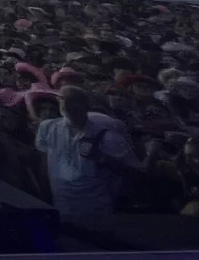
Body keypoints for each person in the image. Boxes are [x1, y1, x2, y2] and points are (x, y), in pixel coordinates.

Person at [36, 85, 139, 219]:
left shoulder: (106, 136)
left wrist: (102, 158)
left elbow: (133, 174)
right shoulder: (47, 128)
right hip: (61, 208)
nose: (66, 104)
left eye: (73, 100)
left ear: (86, 105)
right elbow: (44, 164)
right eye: (62, 99)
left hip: (96, 210)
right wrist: (43, 198)